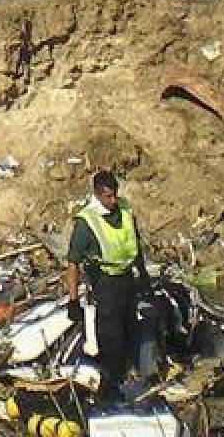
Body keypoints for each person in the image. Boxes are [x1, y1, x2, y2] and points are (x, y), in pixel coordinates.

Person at [65, 171, 148, 405]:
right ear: (98, 194)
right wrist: (73, 301)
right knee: (112, 341)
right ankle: (107, 395)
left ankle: (127, 384)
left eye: (115, 196)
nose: (113, 201)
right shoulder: (87, 222)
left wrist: (144, 278)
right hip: (104, 284)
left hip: (126, 282)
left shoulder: (125, 209)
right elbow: (73, 264)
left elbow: (135, 245)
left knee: (131, 334)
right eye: (108, 197)